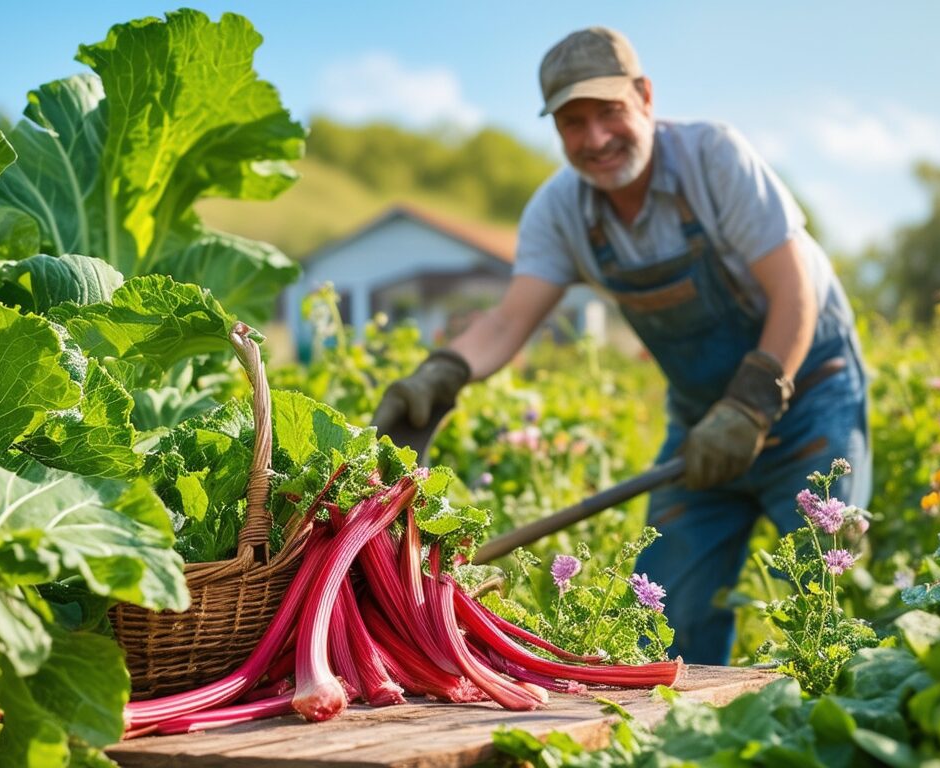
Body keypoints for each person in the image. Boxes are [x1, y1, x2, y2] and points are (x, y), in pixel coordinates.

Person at [370, 26, 870, 665]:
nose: (596, 139)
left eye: (609, 113)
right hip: (700, 421)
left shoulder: (713, 160)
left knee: (828, 604)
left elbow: (795, 289)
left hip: (810, 398)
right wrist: (441, 374)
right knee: (664, 618)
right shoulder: (560, 211)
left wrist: (752, 404)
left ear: (645, 96)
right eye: (573, 123)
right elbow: (507, 319)